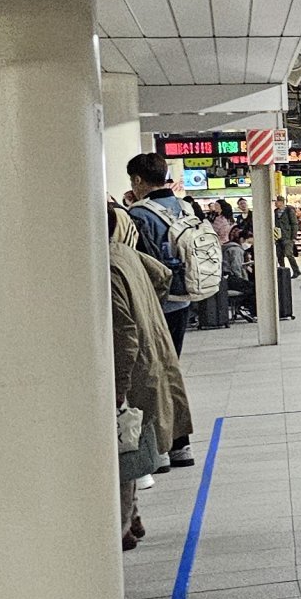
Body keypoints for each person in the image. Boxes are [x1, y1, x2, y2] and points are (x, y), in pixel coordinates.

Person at [109, 203, 191, 550]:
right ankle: (133, 515)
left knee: (119, 446)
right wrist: (149, 308)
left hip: (131, 364)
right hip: (152, 349)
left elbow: (122, 332)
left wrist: (118, 385)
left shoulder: (106, 265)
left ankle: (123, 526)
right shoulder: (126, 254)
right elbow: (162, 275)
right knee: (125, 443)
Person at [123, 153, 204, 467]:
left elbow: (136, 261)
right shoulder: (185, 206)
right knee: (171, 370)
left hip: (155, 304)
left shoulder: (139, 214)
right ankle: (180, 446)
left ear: (138, 180)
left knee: (151, 375)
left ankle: (160, 449)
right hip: (183, 297)